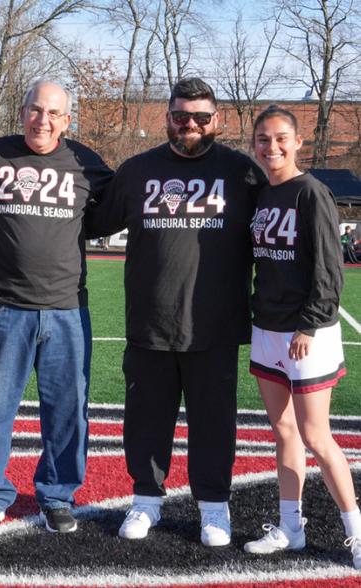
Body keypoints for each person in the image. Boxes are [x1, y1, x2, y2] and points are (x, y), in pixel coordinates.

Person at [86, 77, 267, 545]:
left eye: (201, 118)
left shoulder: (242, 173)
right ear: (166, 118)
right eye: (181, 116)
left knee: (213, 422)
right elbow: (88, 219)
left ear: (217, 121)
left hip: (216, 325)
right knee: (146, 419)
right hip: (150, 322)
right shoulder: (137, 170)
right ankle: (146, 501)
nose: (190, 125)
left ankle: (214, 507)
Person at [0, 79, 112, 534]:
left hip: (67, 307)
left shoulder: (88, 164)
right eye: (34, 110)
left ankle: (57, 494)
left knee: (68, 410)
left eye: (53, 113)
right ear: (22, 111)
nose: (42, 120)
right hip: (4, 306)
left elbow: (107, 214)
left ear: (67, 120)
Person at [243, 106, 361, 569]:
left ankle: (355, 529)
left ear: (298, 142)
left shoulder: (311, 192)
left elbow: (330, 271)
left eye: (280, 139)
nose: (271, 147)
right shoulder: (260, 195)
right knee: (284, 430)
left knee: (316, 434)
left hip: (305, 333)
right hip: (267, 327)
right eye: (262, 140)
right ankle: (290, 528)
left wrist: (308, 325)